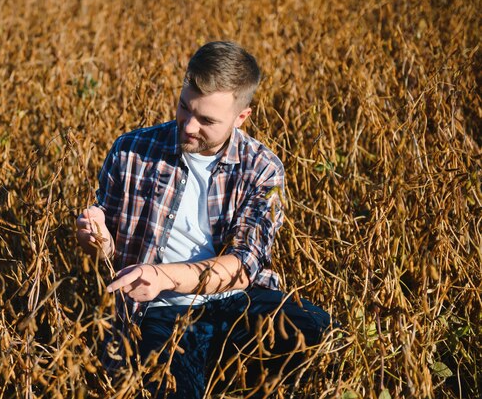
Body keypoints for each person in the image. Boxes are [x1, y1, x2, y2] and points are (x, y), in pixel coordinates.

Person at [76, 41, 332, 398]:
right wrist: (98, 240)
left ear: (242, 117)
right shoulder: (131, 150)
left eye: (207, 120)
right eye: (185, 107)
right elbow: (106, 252)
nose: (189, 126)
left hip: (236, 300)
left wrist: (162, 275)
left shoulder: (263, 168)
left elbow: (243, 267)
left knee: (316, 327)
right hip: (161, 314)